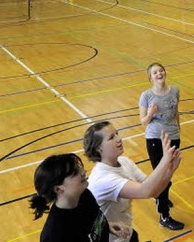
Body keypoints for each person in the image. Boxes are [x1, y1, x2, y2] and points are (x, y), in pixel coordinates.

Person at [84, 122, 183, 242]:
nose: (119, 139)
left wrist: (170, 171)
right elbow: (145, 191)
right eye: (111, 137)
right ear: (98, 148)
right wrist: (165, 161)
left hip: (126, 234)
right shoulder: (103, 178)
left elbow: (154, 191)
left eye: (117, 133)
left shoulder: (124, 161)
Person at [29, 153, 131, 242]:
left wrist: (107, 226)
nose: (83, 171)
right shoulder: (55, 234)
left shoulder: (84, 195)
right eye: (74, 173)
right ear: (58, 189)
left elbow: (91, 222)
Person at [138, 62, 184, 230]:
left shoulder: (175, 91)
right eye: (155, 72)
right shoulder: (146, 96)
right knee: (162, 177)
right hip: (155, 139)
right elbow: (143, 121)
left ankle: (160, 195)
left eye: (161, 70)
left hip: (173, 136)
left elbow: (176, 111)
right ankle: (164, 216)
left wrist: (178, 129)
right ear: (150, 77)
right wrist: (150, 113)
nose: (159, 73)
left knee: (168, 175)